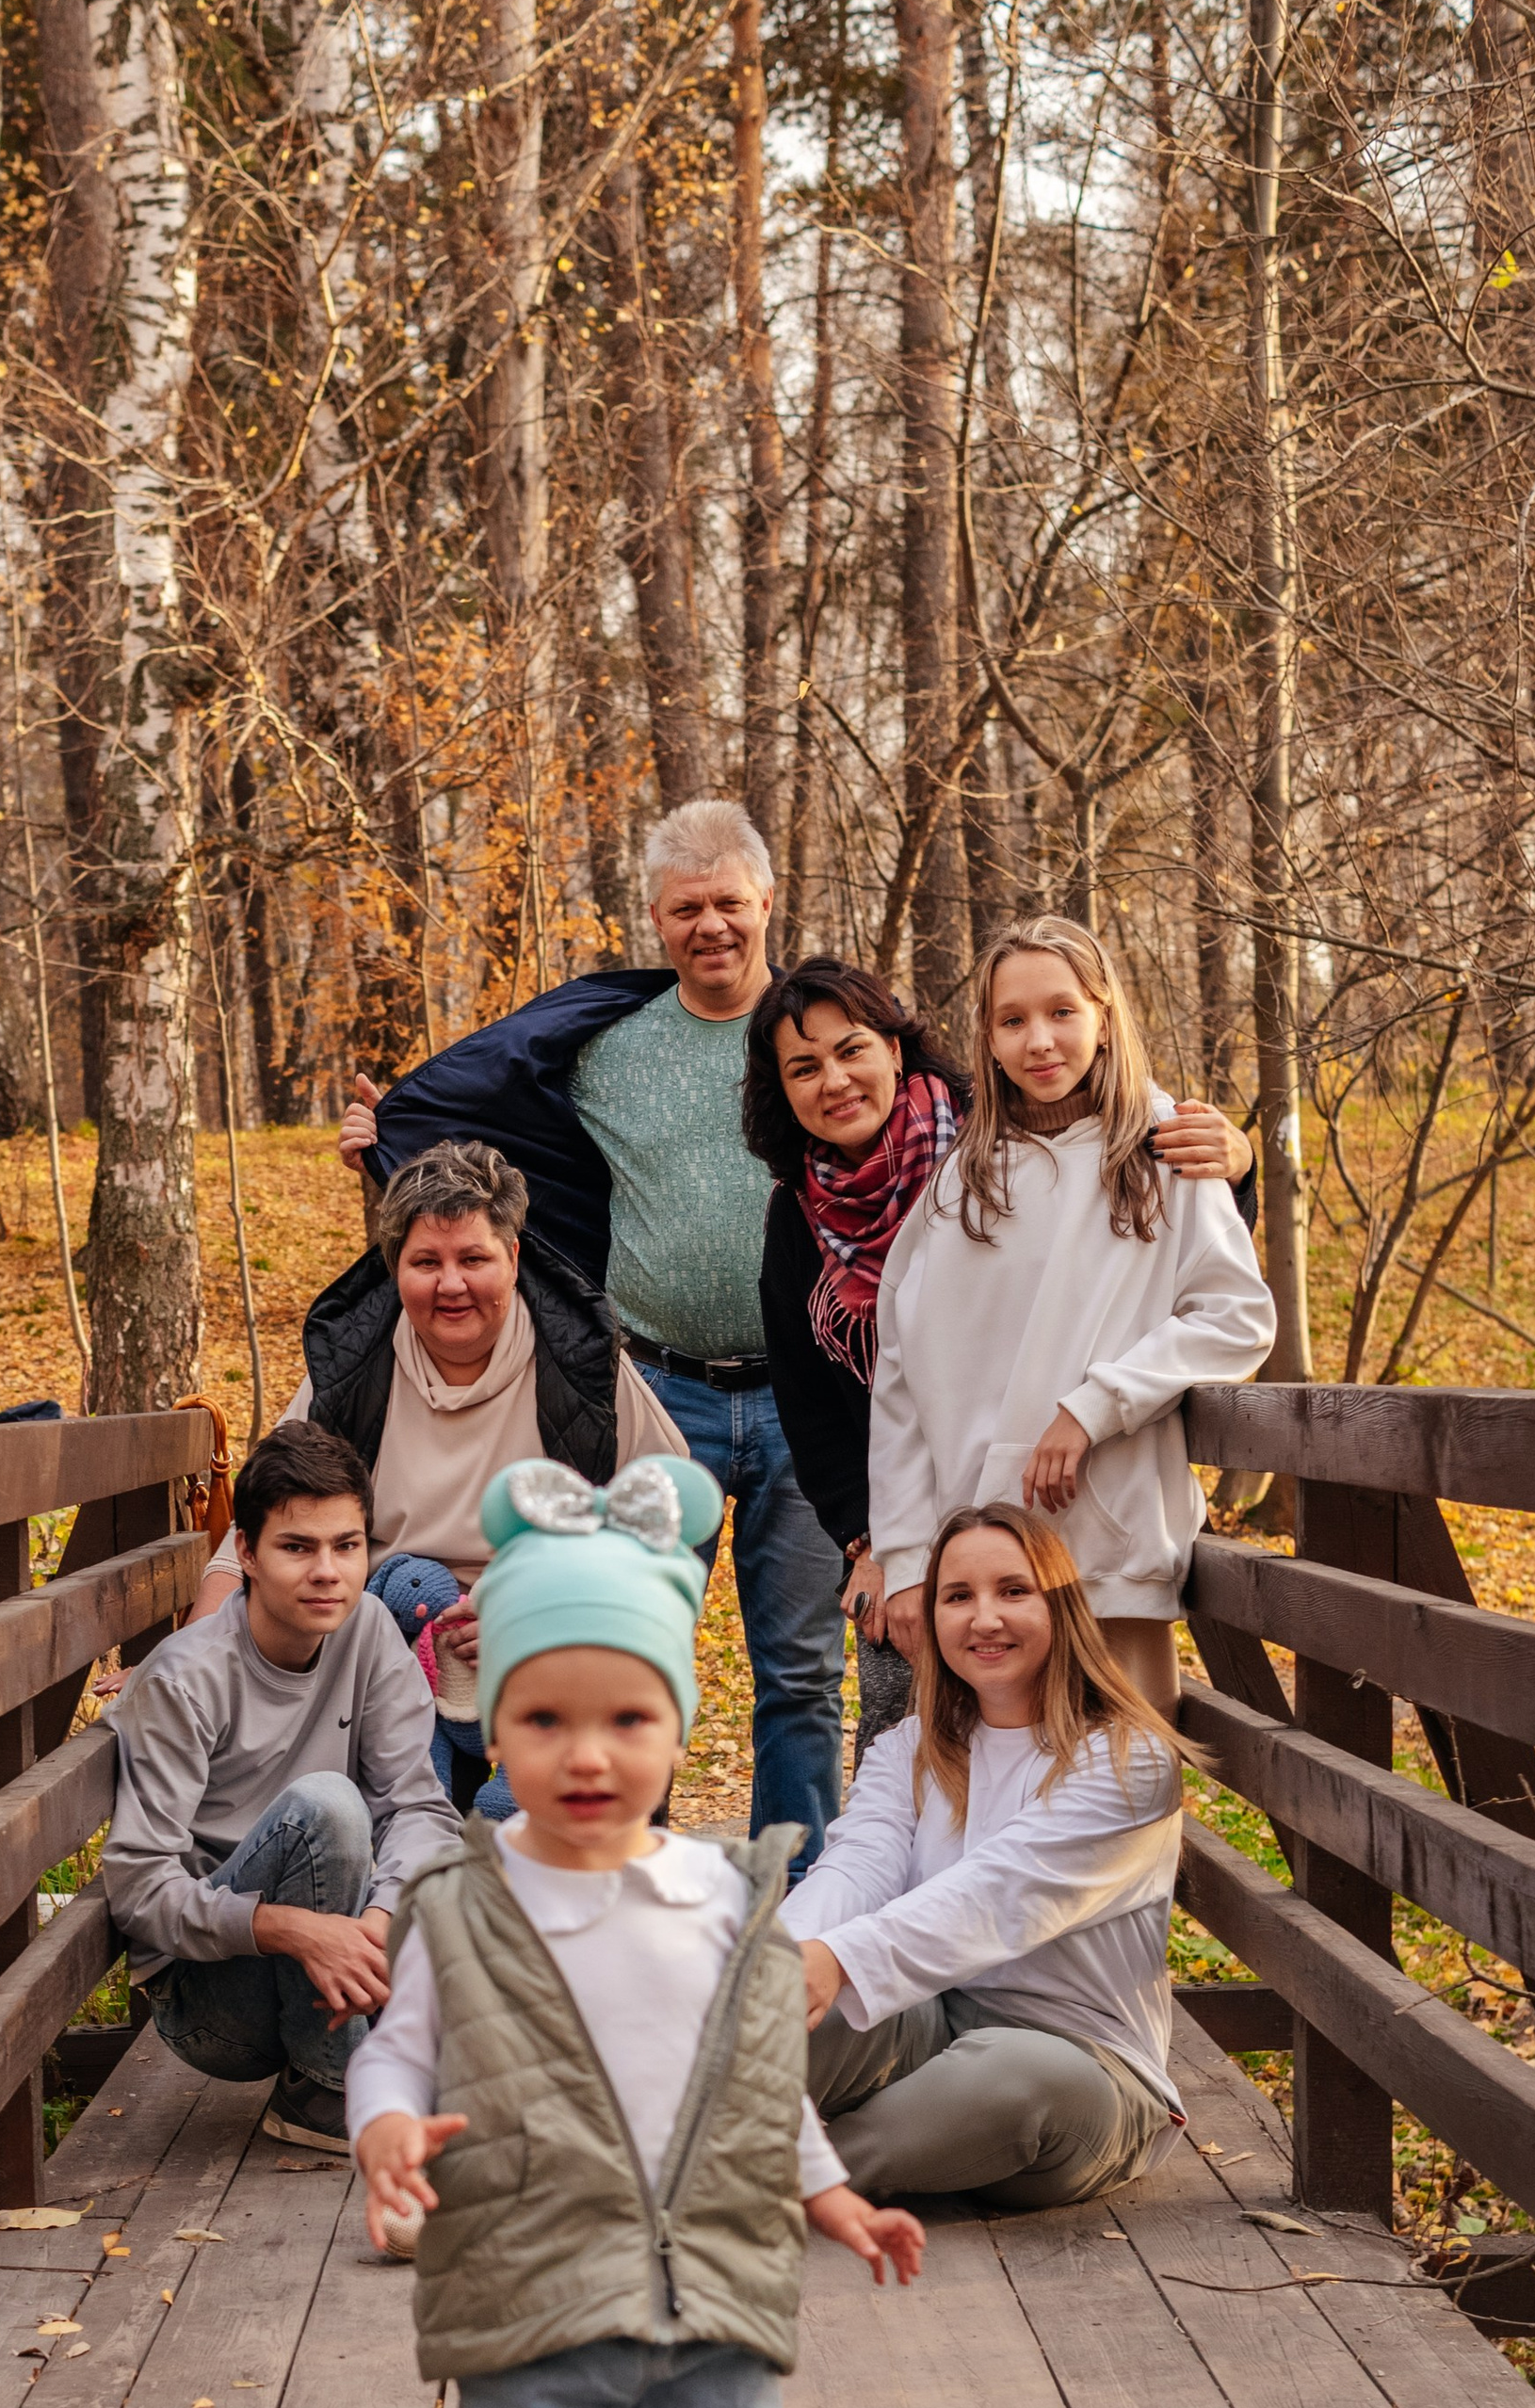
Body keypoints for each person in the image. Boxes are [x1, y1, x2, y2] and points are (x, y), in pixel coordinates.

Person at [348, 1455, 923, 2408]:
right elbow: (396, 2047)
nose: (589, 1753)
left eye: (628, 1718)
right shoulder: (464, 1903)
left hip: (712, 2299)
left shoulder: (725, 1897)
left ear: (678, 1724)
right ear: (495, 1725)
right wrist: (387, 2125)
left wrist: (831, 2194)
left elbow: (758, 2073)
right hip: (532, 2305)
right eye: (545, 1718)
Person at [342, 798, 845, 1869]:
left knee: (801, 1670)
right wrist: (387, 1138)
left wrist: (1186, 1137)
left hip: (804, 1395)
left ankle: (795, 1901)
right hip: (658, 1396)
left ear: (767, 901)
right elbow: (490, 1143)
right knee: (622, 1649)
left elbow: (943, 1113)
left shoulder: (816, 1041)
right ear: (655, 920)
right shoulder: (607, 1047)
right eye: (685, 909)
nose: (710, 926)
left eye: (728, 903)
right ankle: (616, 1881)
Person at [742, 956, 1255, 1759]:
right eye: (804, 1068)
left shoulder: (1004, 1128)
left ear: (894, 1050)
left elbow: (1199, 1282)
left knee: (1119, 1780)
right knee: (941, 1765)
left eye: (851, 1050)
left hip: (1097, 1529)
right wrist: (886, 1550)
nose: (834, 1080)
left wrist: (1237, 1162)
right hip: (948, 1543)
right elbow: (843, 1399)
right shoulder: (834, 1205)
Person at [868, 913, 1276, 1717]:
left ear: (1105, 1017)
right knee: (991, 1788)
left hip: (1111, 1556)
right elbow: (901, 1382)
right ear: (987, 1039)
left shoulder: (1166, 1153)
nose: (1040, 1041)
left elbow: (1235, 1317)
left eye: (1062, 1012)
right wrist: (909, 1558)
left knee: (1125, 1782)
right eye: (1012, 1021)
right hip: (982, 1584)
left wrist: (1096, 1406)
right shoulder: (958, 1187)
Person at [193, 1140, 679, 1814]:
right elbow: (259, 1523)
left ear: (513, 1258)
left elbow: (665, 1515)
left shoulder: (581, 1359)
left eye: (474, 1259)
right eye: (426, 1262)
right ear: (395, 1267)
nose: (451, 1285)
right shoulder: (353, 1367)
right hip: (385, 1647)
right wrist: (190, 1657)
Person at [784, 1503, 1192, 2207]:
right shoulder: (910, 1748)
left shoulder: (1130, 1761)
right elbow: (857, 1865)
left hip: (1085, 2068)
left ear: (1060, 1605)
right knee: (772, 2002)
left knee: (1009, 2076)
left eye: (1013, 1591)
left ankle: (762, 2181)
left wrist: (839, 1959)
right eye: (957, 1597)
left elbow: (998, 1894)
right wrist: (785, 1958)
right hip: (936, 2023)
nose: (985, 1619)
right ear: (932, 1618)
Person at [103, 1418, 459, 2158]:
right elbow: (139, 1890)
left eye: (346, 1546)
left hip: (341, 1953)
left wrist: (378, 1921)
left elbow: (419, 1806)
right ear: (247, 1554)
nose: (327, 1572)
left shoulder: (368, 1631)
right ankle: (326, 2091)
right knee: (326, 1805)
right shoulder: (186, 1678)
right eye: (297, 1547)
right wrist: (293, 1929)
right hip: (212, 2001)